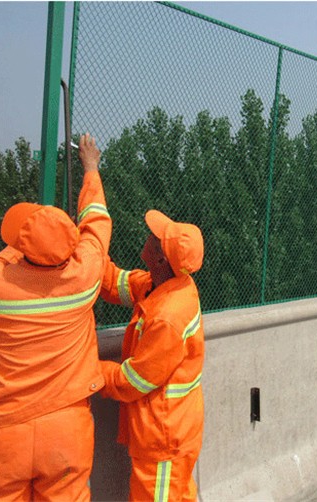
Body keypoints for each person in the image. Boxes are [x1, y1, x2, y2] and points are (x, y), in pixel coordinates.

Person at [0, 133, 111, 501]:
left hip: (6, 433)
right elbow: (97, 223)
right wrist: (91, 168)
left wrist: (23, 244)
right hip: (67, 429)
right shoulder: (85, 277)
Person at [98, 210, 205, 502]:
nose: (148, 235)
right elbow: (116, 282)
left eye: (155, 238)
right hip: (172, 430)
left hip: (163, 437)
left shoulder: (167, 317)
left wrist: (89, 370)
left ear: (161, 260)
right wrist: (90, 253)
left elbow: (135, 381)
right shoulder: (163, 285)